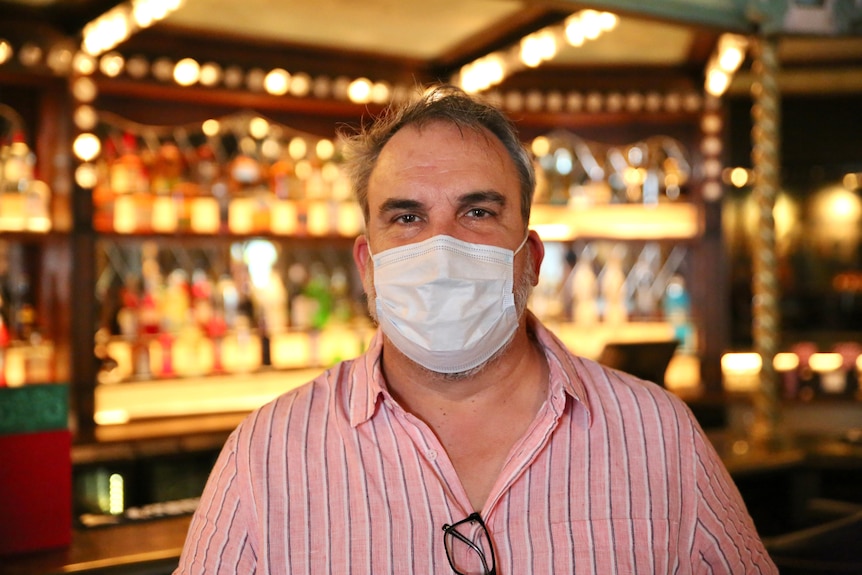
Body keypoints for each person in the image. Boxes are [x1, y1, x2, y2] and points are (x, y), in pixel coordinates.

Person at [174, 86, 777, 574]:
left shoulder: (659, 437)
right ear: (367, 266)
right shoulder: (267, 455)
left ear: (532, 257)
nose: (442, 249)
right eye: (407, 217)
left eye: (479, 212)